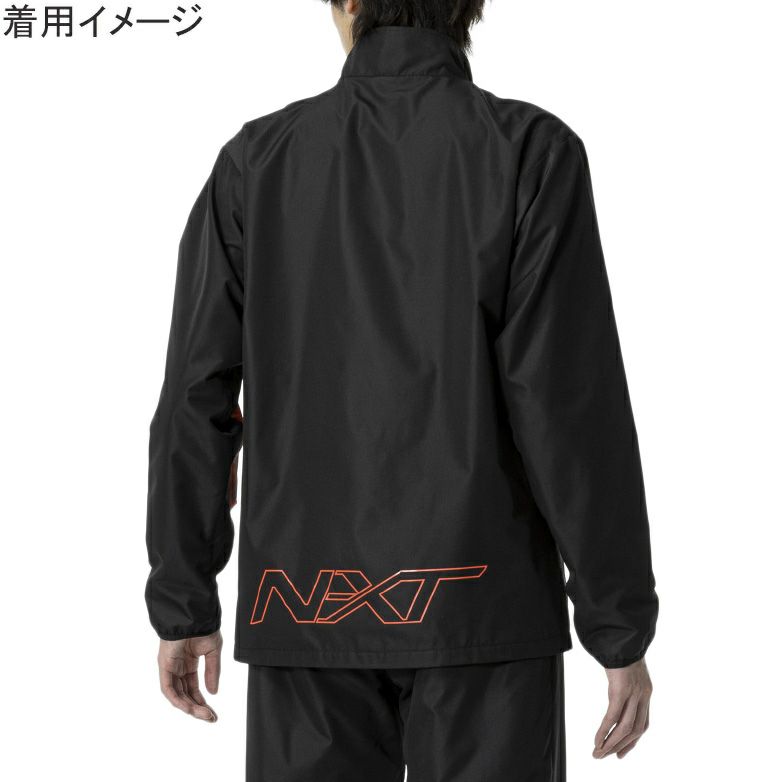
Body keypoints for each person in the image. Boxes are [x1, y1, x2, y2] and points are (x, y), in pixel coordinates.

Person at [145, 1, 659, 779]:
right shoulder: (528, 150)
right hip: (483, 609)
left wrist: (185, 598)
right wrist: (618, 626)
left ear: (350, 3)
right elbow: (568, 406)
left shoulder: (259, 160)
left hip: (304, 606)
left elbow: (197, 394)